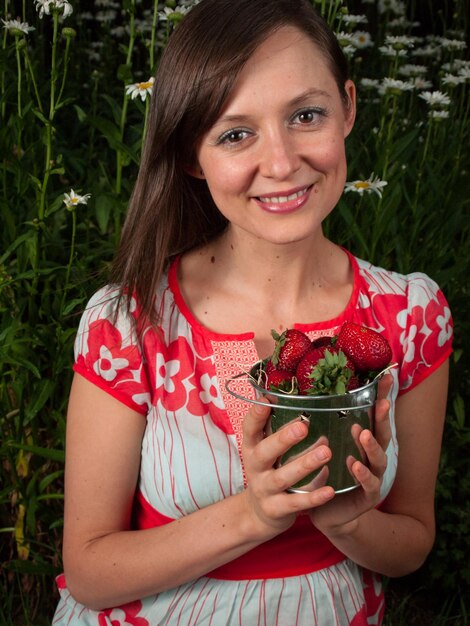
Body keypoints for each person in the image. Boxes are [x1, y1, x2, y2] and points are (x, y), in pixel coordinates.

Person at [52, 0, 453, 624]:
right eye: (236, 133)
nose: (282, 162)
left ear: (348, 107)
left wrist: (349, 523)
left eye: (306, 115)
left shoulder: (409, 316)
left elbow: (411, 545)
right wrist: (255, 513)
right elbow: (89, 572)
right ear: (192, 152)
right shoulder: (130, 324)